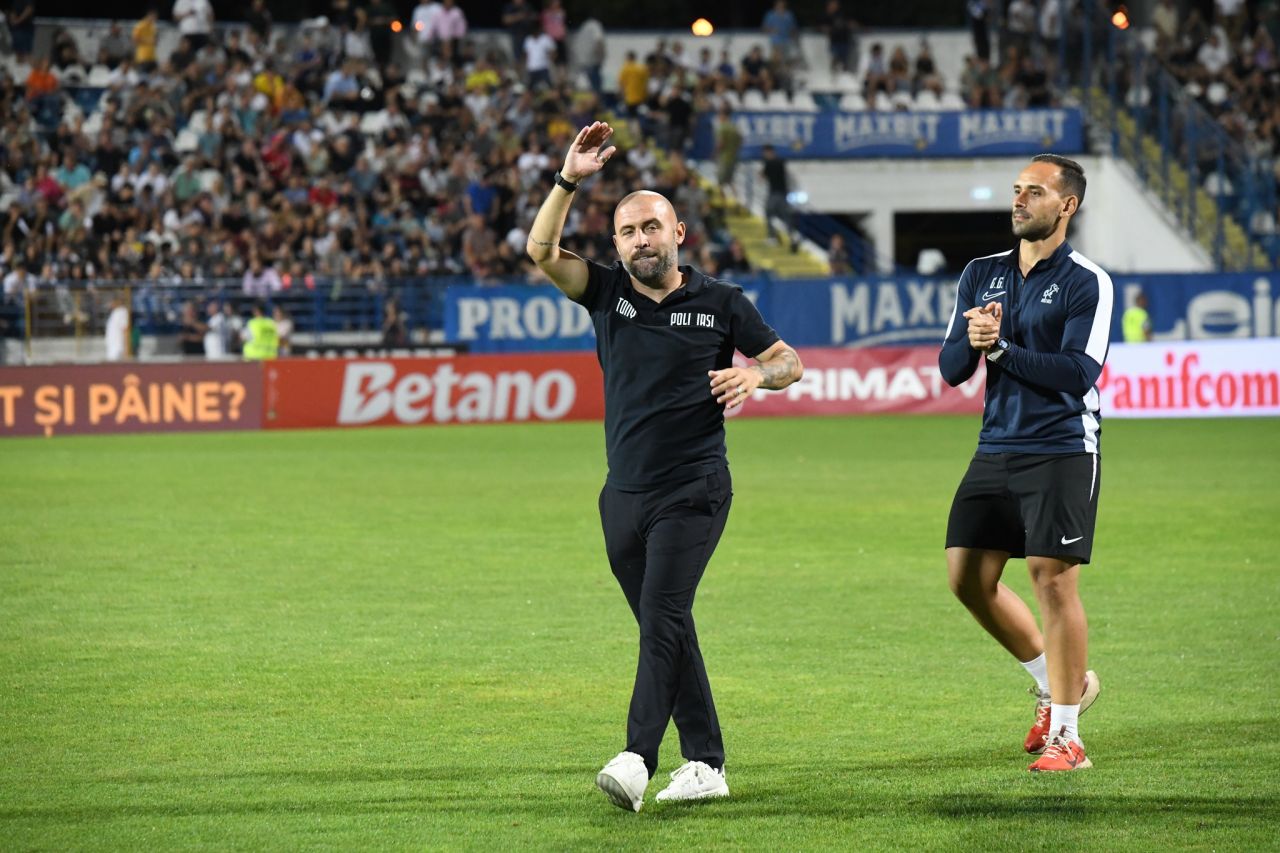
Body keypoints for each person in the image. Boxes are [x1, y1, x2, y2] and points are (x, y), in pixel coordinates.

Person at [525, 122, 803, 812]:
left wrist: (756, 378)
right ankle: (706, 761)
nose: (640, 240)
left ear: (678, 231)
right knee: (665, 626)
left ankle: (637, 756)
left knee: (663, 611)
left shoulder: (721, 303)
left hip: (694, 489)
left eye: (652, 226)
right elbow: (539, 249)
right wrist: (568, 179)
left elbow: (789, 360)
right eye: (627, 231)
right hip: (621, 496)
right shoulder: (606, 294)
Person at [939, 154, 1113, 773]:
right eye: (1016, 190)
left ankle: (1069, 738)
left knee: (1051, 577)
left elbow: (1076, 374)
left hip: (1063, 445)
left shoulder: (1086, 280)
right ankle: (1058, 683)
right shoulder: (981, 273)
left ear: (1067, 206)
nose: (1019, 200)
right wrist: (973, 339)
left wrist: (1003, 348)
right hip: (997, 445)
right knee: (966, 578)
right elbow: (954, 368)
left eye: (1034, 192)